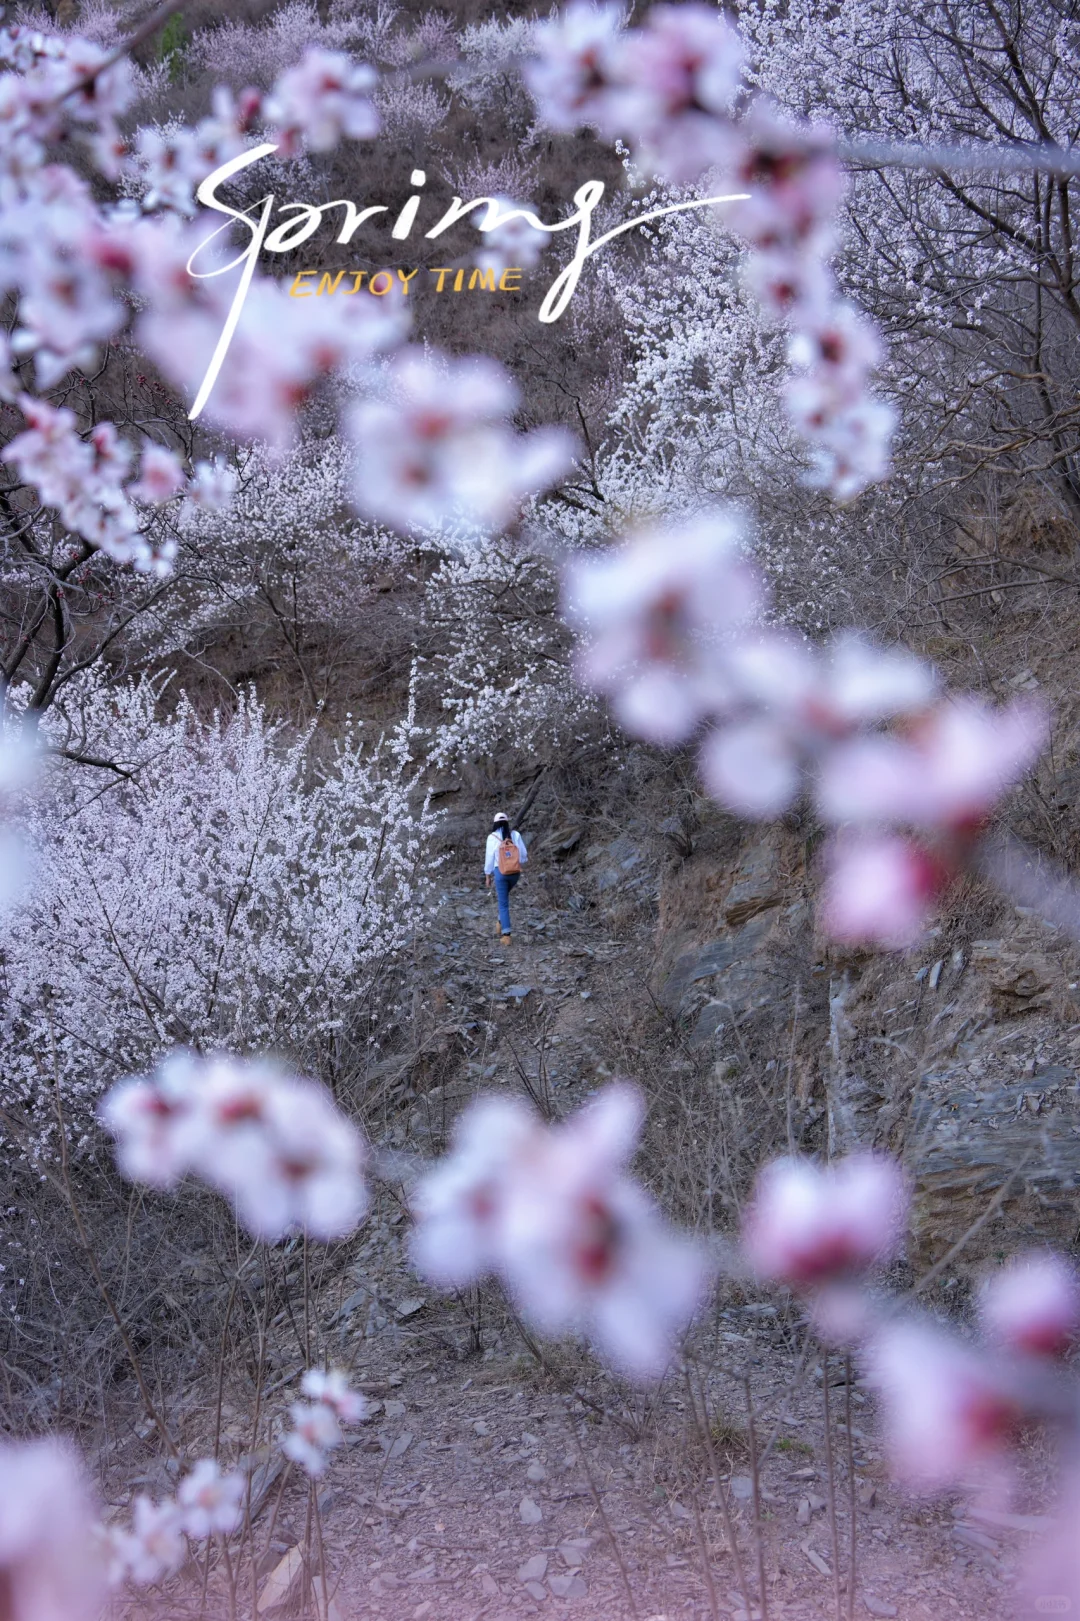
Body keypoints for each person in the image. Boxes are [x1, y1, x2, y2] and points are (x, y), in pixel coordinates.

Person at [484, 810, 528, 943]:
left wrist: (487, 875)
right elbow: (523, 855)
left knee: (503, 903)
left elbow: (489, 858)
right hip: (515, 874)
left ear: (495, 824)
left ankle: (506, 935)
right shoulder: (516, 835)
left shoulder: (492, 837)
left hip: (500, 873)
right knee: (504, 899)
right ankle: (500, 921)